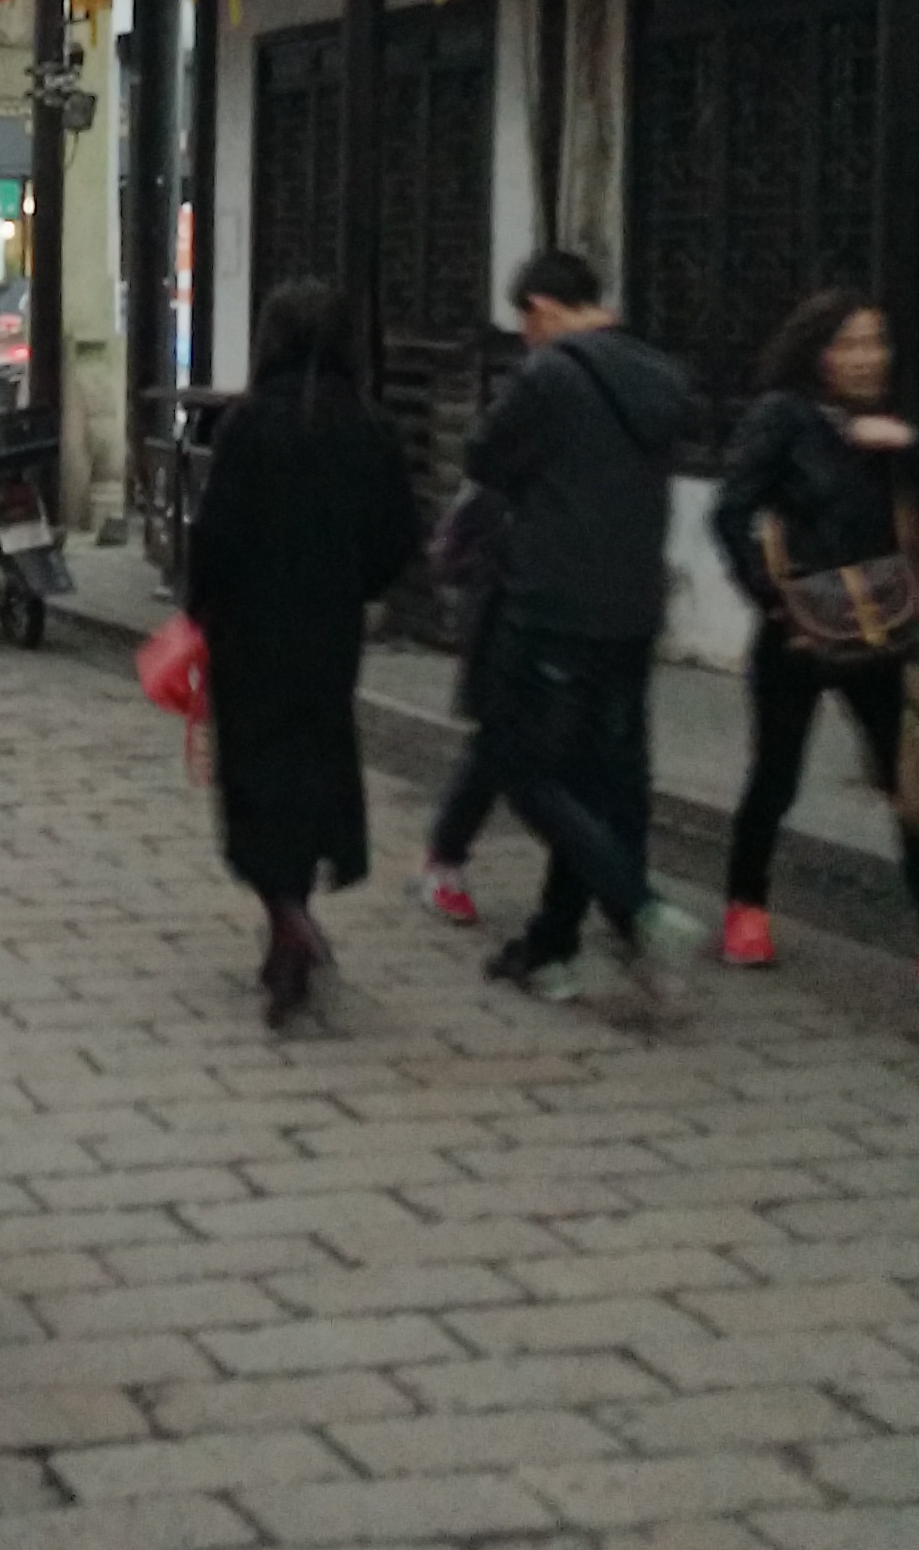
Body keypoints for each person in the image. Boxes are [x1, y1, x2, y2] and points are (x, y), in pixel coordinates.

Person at [705, 289, 919, 1003]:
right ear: (817, 352)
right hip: (800, 631)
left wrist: (907, 443)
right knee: (777, 776)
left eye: (875, 343)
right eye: (849, 344)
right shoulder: (782, 417)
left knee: (913, 789)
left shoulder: (889, 423)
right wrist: (772, 600)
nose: (865, 358)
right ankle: (745, 909)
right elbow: (730, 512)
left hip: (883, 633)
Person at [425, 250, 700, 1012]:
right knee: (594, 779)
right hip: (634, 608)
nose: (525, 338)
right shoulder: (659, 373)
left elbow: (484, 455)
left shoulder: (551, 376)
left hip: (550, 606)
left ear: (542, 309)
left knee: (517, 762)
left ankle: (638, 906)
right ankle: (550, 946)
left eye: (526, 323)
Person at [183, 282, 423, 1023]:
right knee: (313, 769)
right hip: (329, 635)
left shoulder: (249, 426)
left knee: (255, 779)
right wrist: (356, 587)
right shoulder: (371, 429)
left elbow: (215, 533)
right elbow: (400, 538)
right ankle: (291, 921)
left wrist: (199, 610)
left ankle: (286, 915)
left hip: (249, 637)